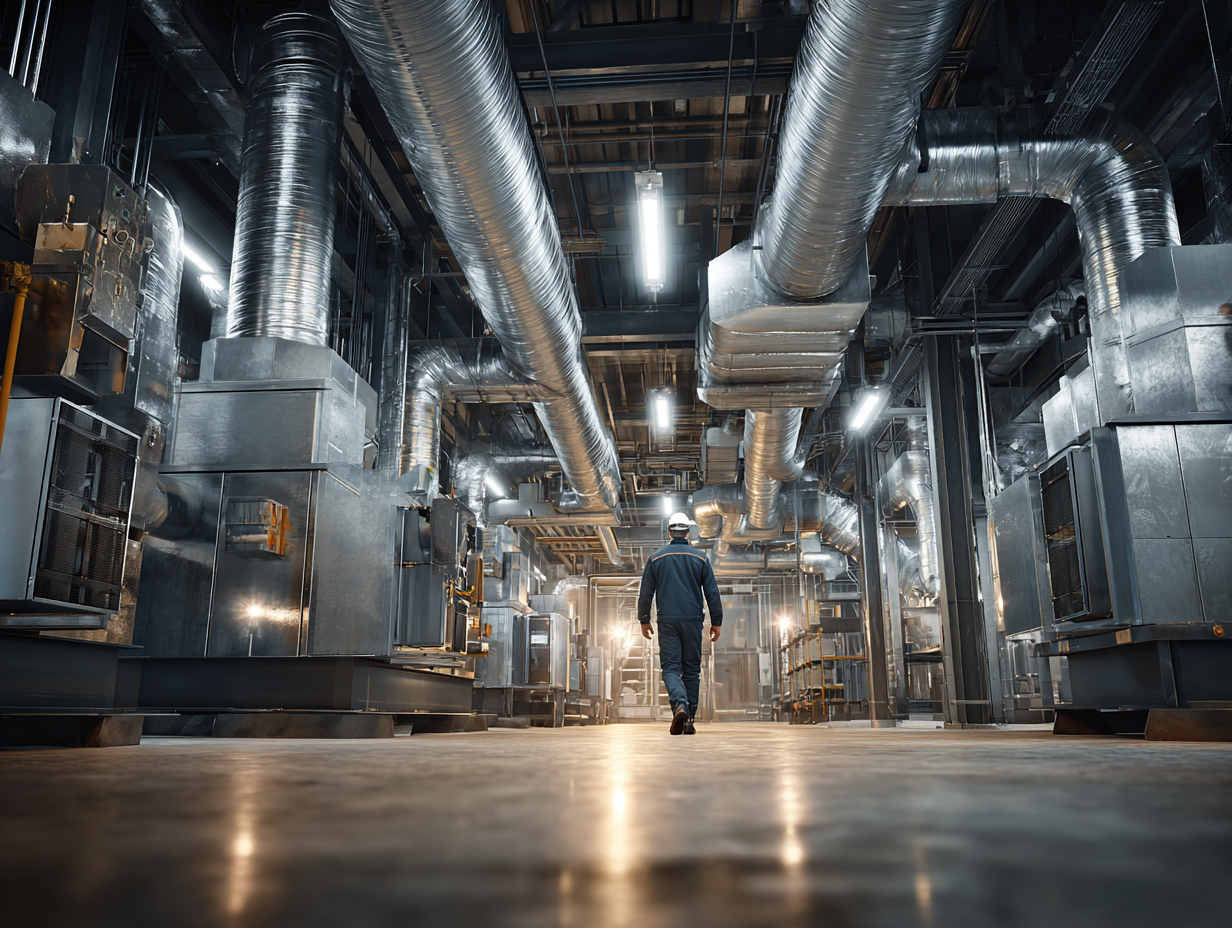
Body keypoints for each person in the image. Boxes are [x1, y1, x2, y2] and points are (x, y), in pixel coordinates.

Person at [637, 512, 723, 735]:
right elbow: (712, 592)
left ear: (669, 532)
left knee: (671, 668)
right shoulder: (701, 558)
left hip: (667, 621)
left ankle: (680, 704)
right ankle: (688, 719)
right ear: (688, 533)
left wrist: (644, 619)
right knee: (692, 671)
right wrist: (717, 621)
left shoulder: (655, 559)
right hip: (693, 621)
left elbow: (646, 591)